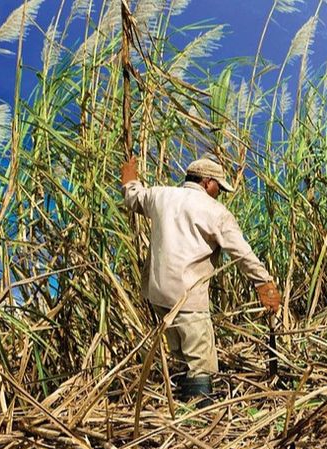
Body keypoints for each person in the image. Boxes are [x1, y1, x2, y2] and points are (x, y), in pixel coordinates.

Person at [120, 155, 281, 400]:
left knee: (180, 354)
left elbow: (134, 197)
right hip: (188, 296)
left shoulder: (160, 196)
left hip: (158, 293)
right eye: (219, 187)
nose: (220, 193)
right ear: (207, 183)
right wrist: (264, 282)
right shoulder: (215, 211)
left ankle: (182, 404)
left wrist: (130, 179)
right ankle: (199, 415)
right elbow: (241, 253)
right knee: (201, 362)